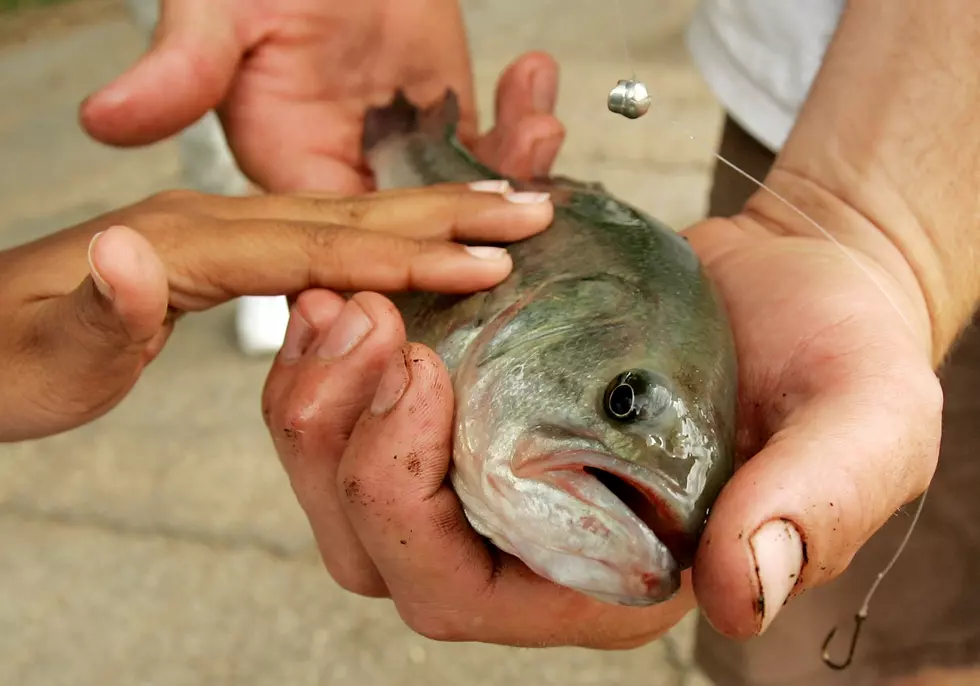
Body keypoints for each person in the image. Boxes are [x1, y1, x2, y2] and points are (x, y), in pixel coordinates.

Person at [18, 1, 975, 685]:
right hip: (817, 119)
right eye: (624, 401)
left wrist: (887, 229)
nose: (688, 499)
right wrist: (866, 217)